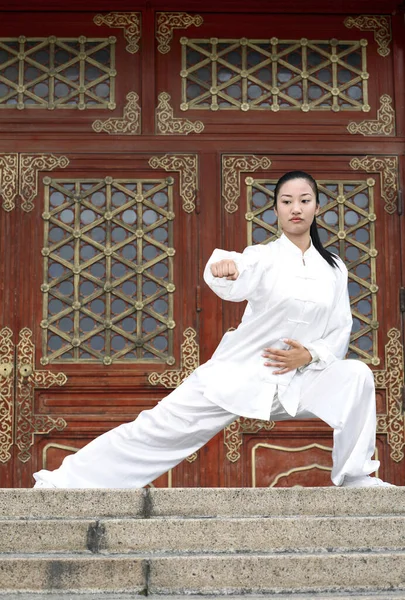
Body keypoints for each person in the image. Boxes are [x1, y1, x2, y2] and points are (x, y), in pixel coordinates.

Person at [33, 170, 393, 489]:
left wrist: (309, 354)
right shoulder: (263, 257)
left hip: (301, 378)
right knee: (157, 427)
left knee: (356, 375)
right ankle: (65, 480)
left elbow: (339, 329)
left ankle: (356, 475)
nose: (295, 208)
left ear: (317, 207)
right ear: (277, 210)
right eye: (287, 201)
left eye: (304, 200)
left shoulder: (334, 269)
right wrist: (226, 269)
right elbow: (240, 267)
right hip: (242, 373)